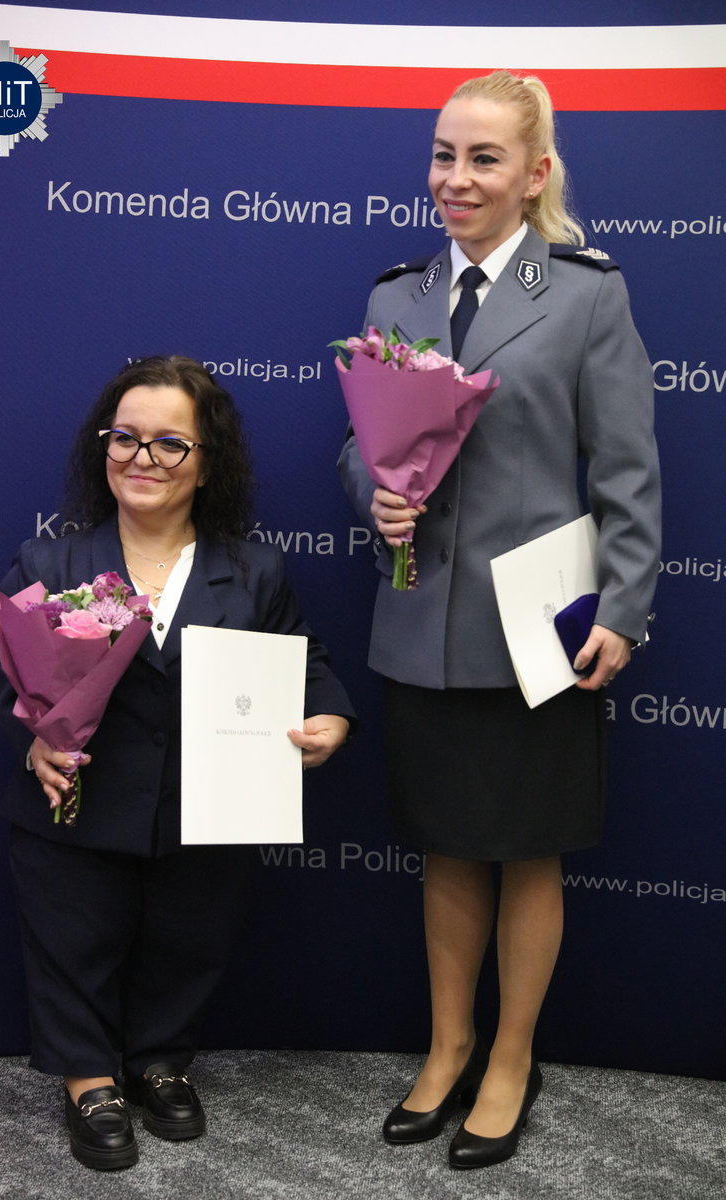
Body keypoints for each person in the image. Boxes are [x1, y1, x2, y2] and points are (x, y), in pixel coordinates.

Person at [338, 71, 660, 1170]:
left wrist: (624, 609)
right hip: (421, 621)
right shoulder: (396, 298)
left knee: (526, 853)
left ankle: (511, 1058)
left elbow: (625, 469)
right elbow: (361, 446)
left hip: (538, 631)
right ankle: (448, 1048)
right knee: (445, 847)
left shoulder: (584, 294)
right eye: (443, 155)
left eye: (483, 158)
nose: (456, 178)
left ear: (534, 173)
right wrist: (373, 495)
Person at [0, 355, 354, 1171]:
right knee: (73, 939)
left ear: (207, 462)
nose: (142, 458)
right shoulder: (49, 564)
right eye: (125, 438)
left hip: (206, 806)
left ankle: (160, 1062)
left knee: (189, 940)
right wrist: (34, 739)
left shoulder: (255, 570)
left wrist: (329, 713)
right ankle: (89, 1080)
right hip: (78, 804)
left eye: (169, 443)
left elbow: (304, 657)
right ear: (103, 447)